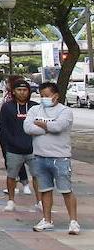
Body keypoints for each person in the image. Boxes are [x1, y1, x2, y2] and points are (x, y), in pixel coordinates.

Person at [25, 82, 79, 234]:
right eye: (41, 96)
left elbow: (59, 127)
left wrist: (41, 125)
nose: (44, 99)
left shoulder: (65, 111)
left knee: (66, 189)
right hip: (40, 156)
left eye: (47, 96)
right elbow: (28, 128)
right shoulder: (35, 109)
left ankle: (73, 221)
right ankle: (47, 220)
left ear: (56, 96)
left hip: (60, 158)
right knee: (45, 190)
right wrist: (47, 127)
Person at [0, 79, 37, 212]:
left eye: (25, 90)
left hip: (33, 148)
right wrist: (11, 142)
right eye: (19, 90)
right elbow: (4, 128)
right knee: (11, 175)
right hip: (14, 149)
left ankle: (40, 200)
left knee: (37, 175)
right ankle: (11, 200)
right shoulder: (8, 107)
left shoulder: (34, 106)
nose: (22, 93)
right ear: (13, 91)